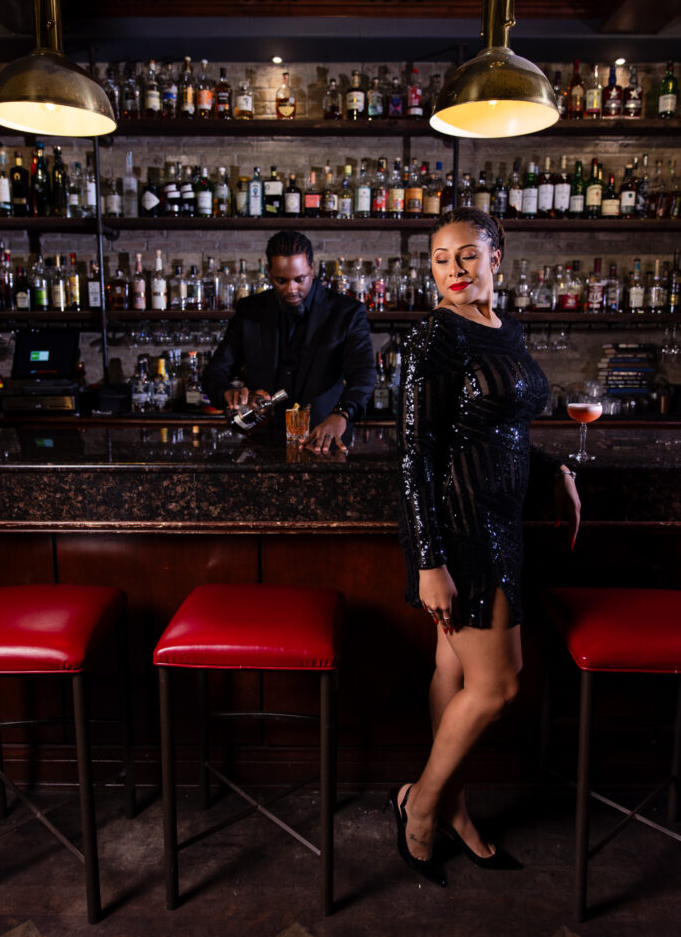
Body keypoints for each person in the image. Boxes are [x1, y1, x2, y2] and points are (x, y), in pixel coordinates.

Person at [390, 207, 580, 887]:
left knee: (457, 674)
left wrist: (553, 465)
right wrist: (427, 560)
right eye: (441, 259)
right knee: (497, 686)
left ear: (498, 256)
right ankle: (419, 805)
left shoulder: (504, 329)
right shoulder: (432, 340)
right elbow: (413, 456)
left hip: (503, 521)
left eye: (467, 255)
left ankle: (452, 810)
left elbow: (496, 428)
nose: (453, 270)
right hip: (462, 529)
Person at [202, 230, 376, 452]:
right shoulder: (250, 311)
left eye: (299, 279)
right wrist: (227, 393)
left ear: (312, 269)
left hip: (322, 442)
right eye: (281, 281)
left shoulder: (346, 313)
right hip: (262, 445)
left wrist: (341, 414)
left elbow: (363, 375)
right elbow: (214, 372)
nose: (291, 289)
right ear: (269, 274)